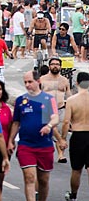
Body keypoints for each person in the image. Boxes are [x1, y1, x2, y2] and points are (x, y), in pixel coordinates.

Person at [8, 70, 59, 201]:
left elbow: (55, 118)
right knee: (29, 177)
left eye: (30, 82)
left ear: (38, 81)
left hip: (44, 145)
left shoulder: (48, 99)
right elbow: (16, 122)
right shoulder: (21, 100)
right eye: (25, 82)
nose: (27, 85)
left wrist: (48, 126)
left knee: (43, 180)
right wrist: (10, 140)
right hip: (26, 145)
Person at [62, 72, 89, 201]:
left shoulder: (72, 100)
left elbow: (66, 122)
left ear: (77, 83)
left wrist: (62, 138)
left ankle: (73, 195)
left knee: (76, 169)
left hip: (78, 135)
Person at [40, 57, 71, 163]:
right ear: (49, 66)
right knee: (52, 130)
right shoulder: (43, 79)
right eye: (53, 64)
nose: (55, 66)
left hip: (61, 108)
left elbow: (69, 95)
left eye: (57, 64)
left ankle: (61, 154)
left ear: (60, 67)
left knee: (62, 132)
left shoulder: (64, 80)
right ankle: (55, 153)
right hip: (47, 109)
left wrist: (71, 109)